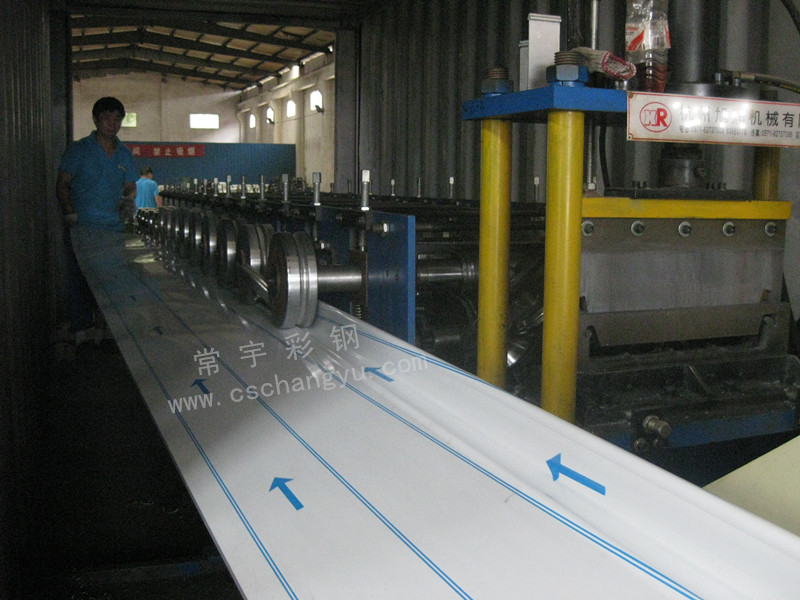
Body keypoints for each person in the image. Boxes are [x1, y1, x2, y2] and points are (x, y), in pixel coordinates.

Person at [56, 96, 138, 348]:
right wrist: (69, 212)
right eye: (106, 118)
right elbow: (63, 184)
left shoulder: (124, 154)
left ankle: (106, 330)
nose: (112, 124)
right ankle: (82, 331)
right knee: (80, 280)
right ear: (95, 120)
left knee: (111, 281)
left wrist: (128, 200)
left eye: (117, 119)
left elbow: (130, 186)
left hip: (112, 229)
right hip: (83, 227)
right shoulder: (79, 150)